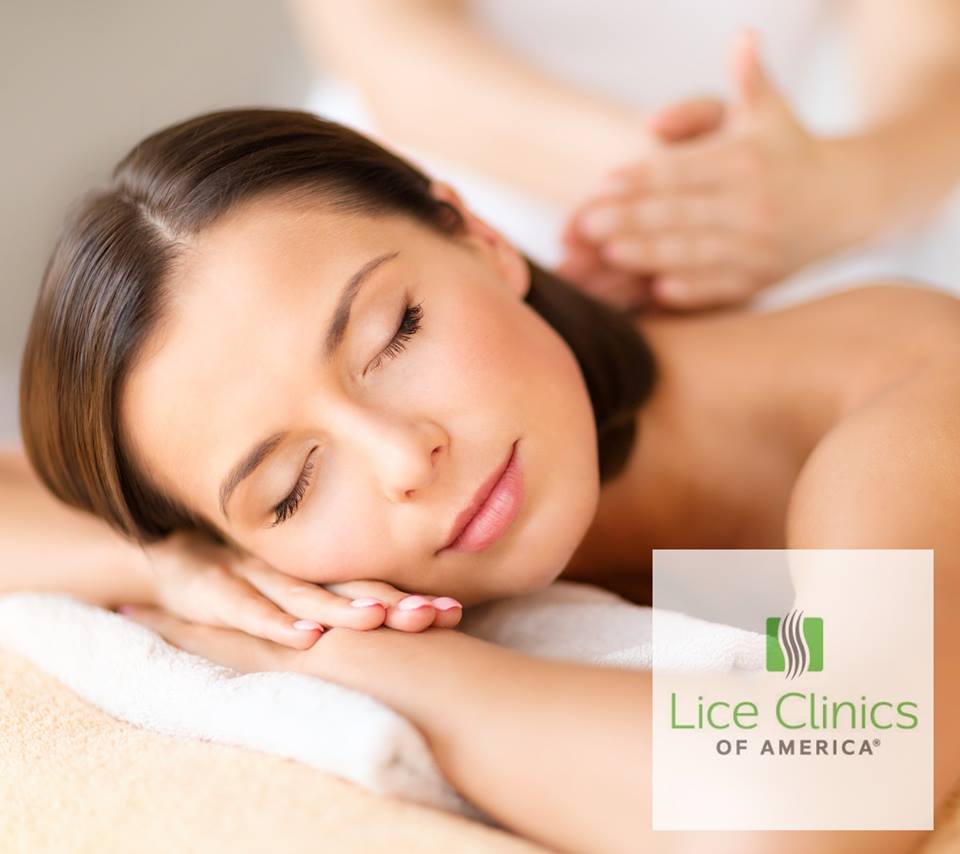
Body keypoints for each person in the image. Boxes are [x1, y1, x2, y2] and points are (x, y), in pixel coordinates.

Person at [6, 108, 960, 852]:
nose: (402, 457)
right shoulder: (220, 527)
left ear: (481, 239)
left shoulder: (902, 394)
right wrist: (175, 565)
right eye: (291, 488)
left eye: (396, 334)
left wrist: (359, 666)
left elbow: (830, 778)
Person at [289, 0, 960, 311]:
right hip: (410, 234)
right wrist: (671, 195)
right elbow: (389, 49)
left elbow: (938, 65)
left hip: (747, 255)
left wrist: (836, 192)